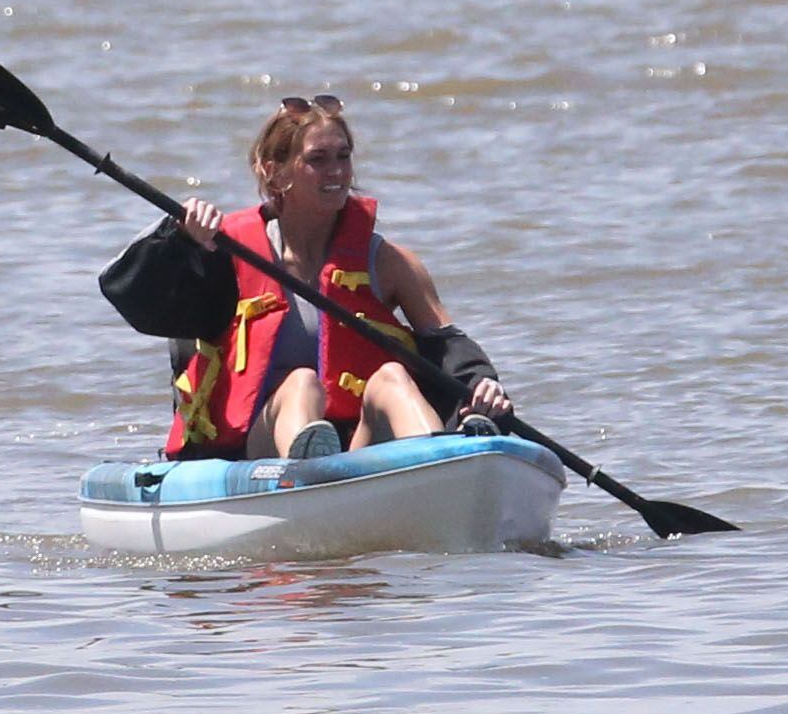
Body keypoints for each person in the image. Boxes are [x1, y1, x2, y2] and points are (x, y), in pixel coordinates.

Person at [109, 94, 507, 462]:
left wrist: (480, 384)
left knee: (392, 377)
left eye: (343, 156)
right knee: (301, 383)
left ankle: (441, 465)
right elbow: (137, 299)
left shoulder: (387, 262)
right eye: (317, 159)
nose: (335, 171)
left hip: (355, 447)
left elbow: (447, 344)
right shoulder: (227, 254)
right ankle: (310, 470)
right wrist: (179, 240)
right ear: (275, 172)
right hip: (258, 451)